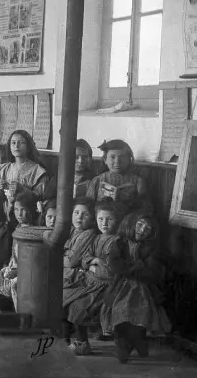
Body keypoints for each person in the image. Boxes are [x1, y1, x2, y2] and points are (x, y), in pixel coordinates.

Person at [101, 211, 171, 363]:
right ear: (131, 224)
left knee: (141, 313)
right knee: (119, 312)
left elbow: (151, 271)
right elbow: (115, 265)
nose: (142, 230)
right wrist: (138, 265)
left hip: (143, 287)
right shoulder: (119, 243)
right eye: (140, 224)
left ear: (151, 233)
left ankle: (136, 342)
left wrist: (133, 268)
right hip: (120, 286)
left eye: (147, 228)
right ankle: (123, 346)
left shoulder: (151, 249)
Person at [62, 199, 127, 355]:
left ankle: (83, 343)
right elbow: (84, 258)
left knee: (79, 306)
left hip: (107, 285)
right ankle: (73, 340)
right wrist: (93, 261)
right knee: (65, 296)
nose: (104, 223)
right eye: (100, 219)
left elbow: (110, 271)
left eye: (109, 219)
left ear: (117, 220)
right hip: (90, 281)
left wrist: (94, 264)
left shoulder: (116, 242)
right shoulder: (97, 237)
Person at [86, 139, 151, 214]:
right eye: (112, 157)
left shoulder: (138, 182)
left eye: (122, 157)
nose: (117, 161)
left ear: (129, 160)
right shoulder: (97, 180)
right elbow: (87, 206)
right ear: (105, 160)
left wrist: (128, 200)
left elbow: (146, 208)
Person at [0, 130, 49, 210]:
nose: (16, 146)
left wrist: (23, 189)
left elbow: (40, 198)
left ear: (28, 146)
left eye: (21, 143)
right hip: (4, 211)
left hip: (26, 211)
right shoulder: (2, 169)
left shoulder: (38, 171)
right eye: (13, 143)